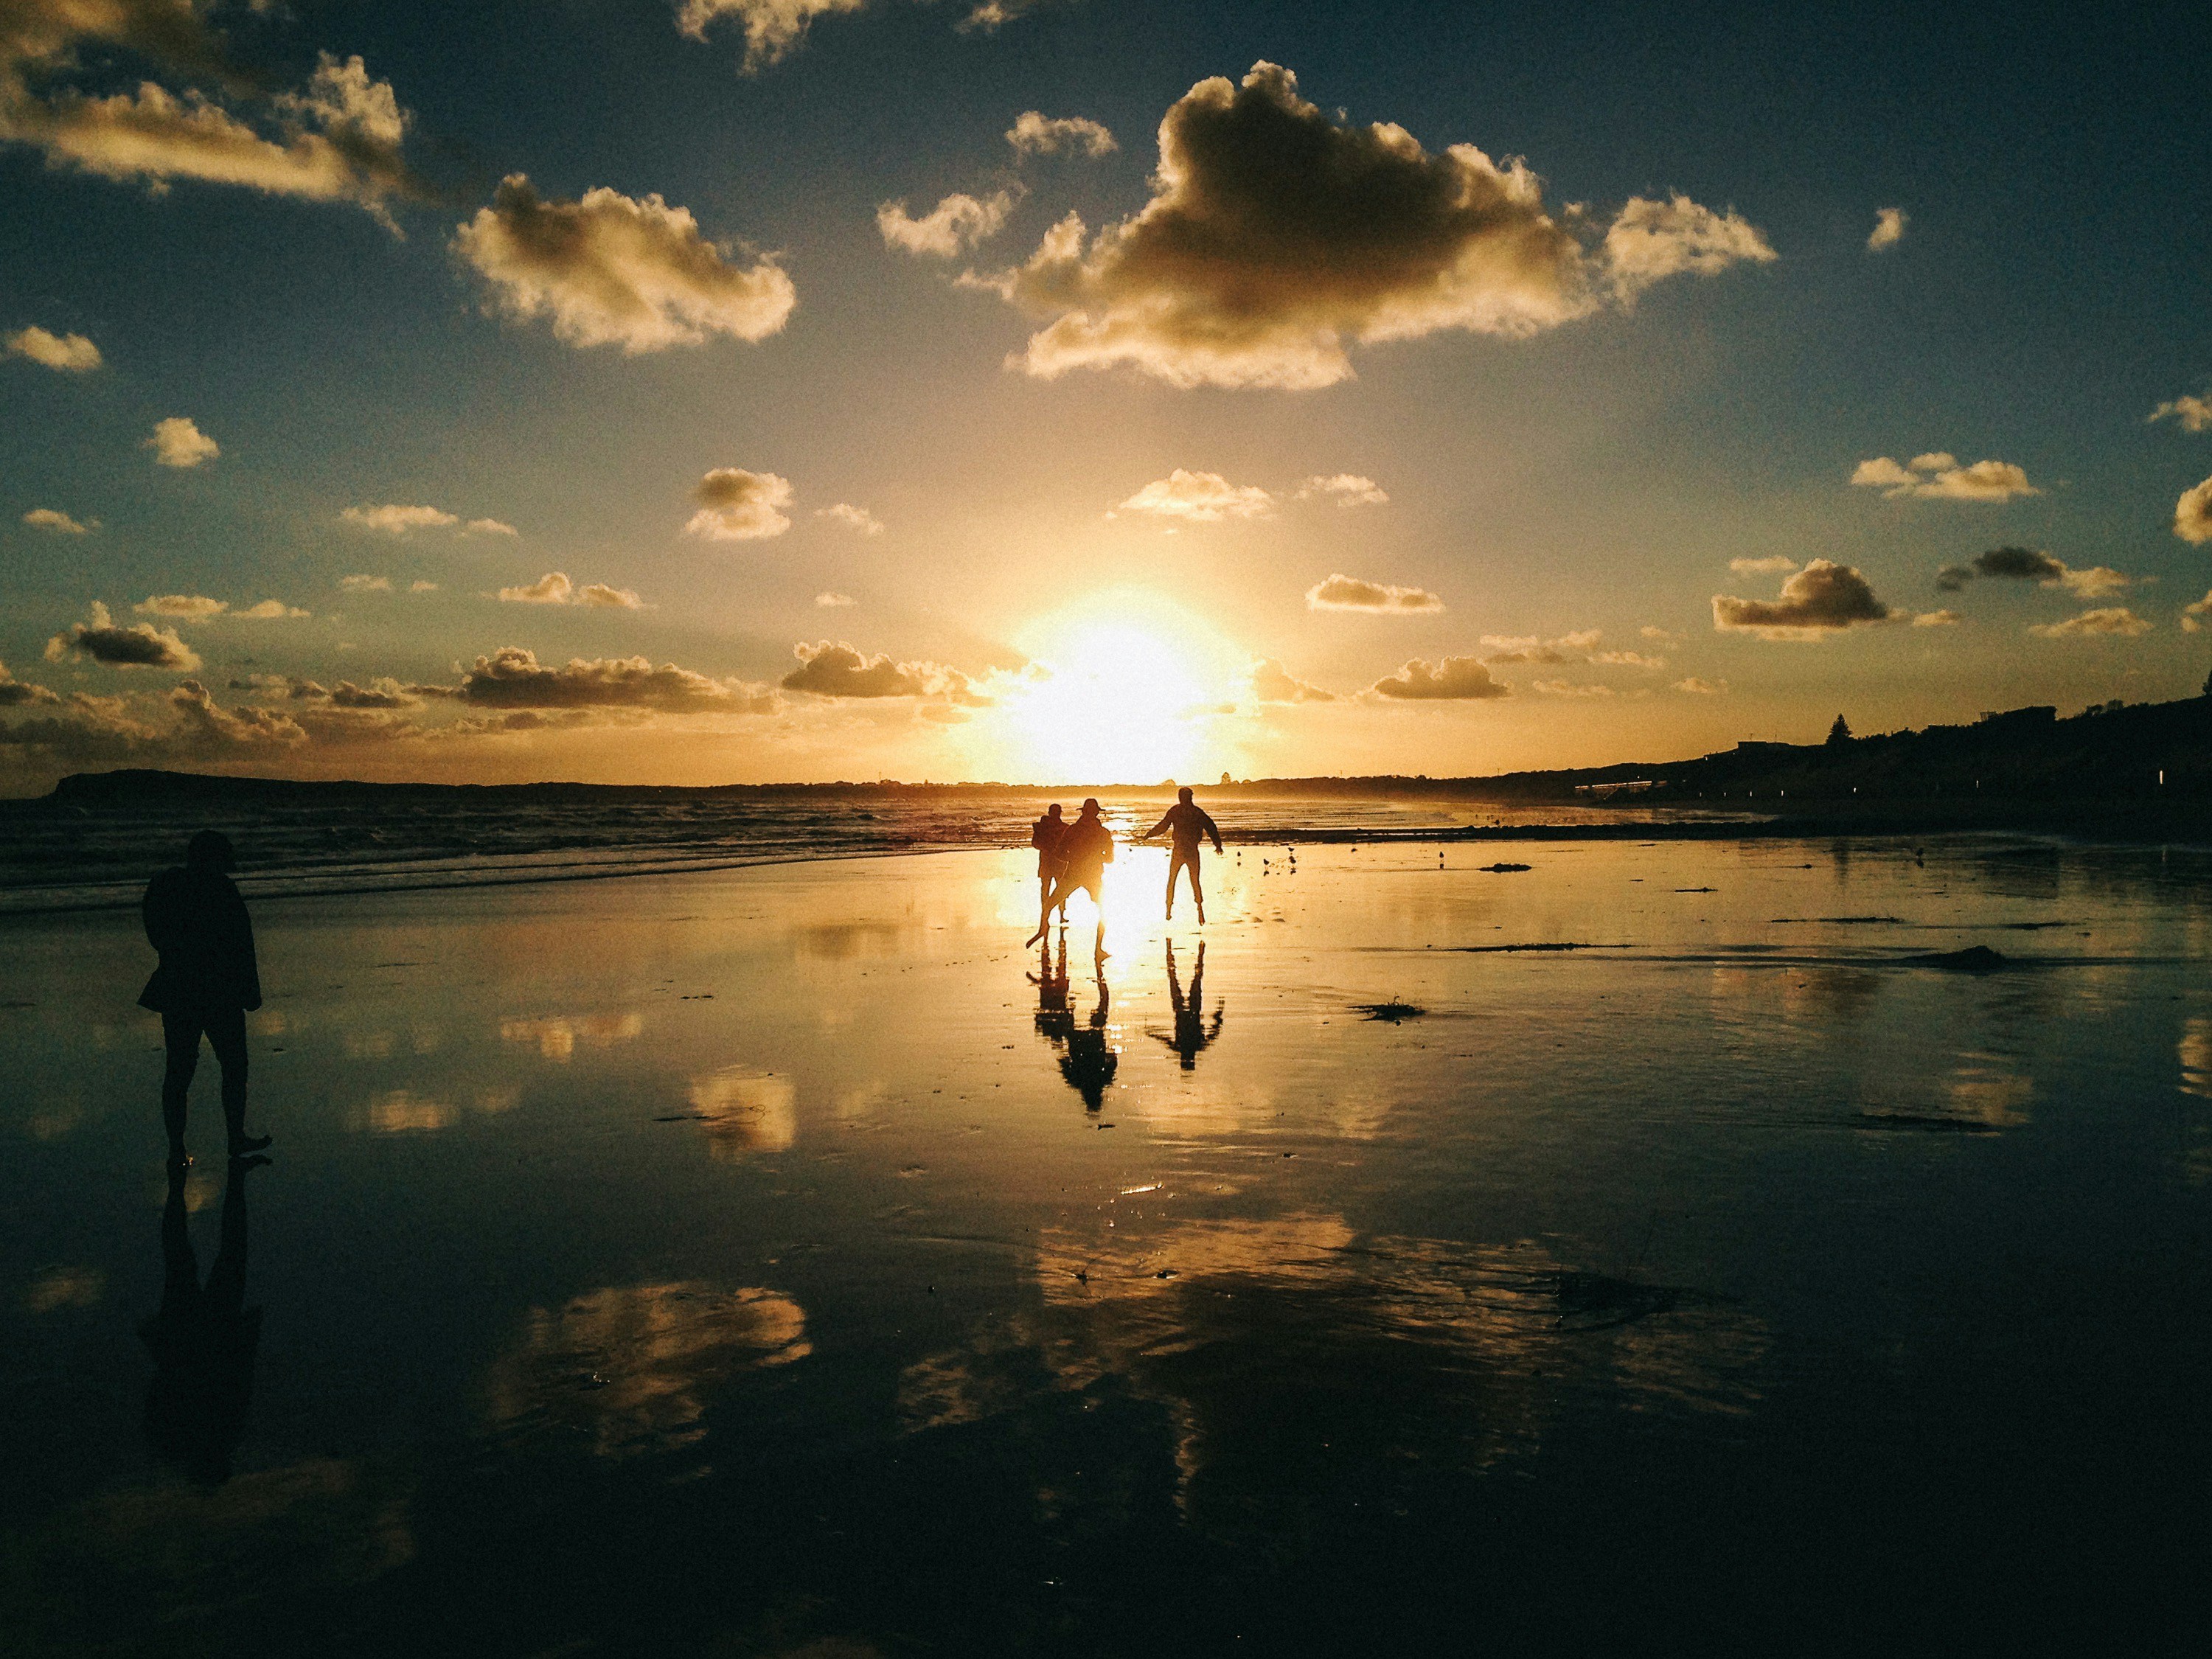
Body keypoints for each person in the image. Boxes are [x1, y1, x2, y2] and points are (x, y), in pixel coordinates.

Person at [140, 830, 271, 1164]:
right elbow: (243, 943)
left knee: (180, 1069)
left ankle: (176, 1148)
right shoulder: (223, 890)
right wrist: (250, 990)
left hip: (179, 987)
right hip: (220, 990)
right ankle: (235, 1137)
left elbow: (153, 923)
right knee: (233, 1066)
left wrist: (169, 953)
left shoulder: (167, 885)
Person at [1028, 797, 1113, 957]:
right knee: (1103, 911)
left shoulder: (1072, 830)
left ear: (1083, 812)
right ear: (1096, 813)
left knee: (1049, 904)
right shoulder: (1103, 833)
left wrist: (1074, 857)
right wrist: (1095, 857)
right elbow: (1109, 859)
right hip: (1093, 876)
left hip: (1072, 874)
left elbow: (1060, 854)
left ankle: (1042, 929)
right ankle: (1098, 949)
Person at [1143, 786, 1225, 924]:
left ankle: (1178, 908)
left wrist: (1149, 834)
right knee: (1191, 880)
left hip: (1183, 850)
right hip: (1187, 850)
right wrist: (1217, 845)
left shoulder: (1178, 811)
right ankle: (1193, 908)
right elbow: (1211, 827)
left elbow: (1163, 827)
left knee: (1176, 880)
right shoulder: (1195, 812)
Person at [1029, 801, 1068, 924]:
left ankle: (1057, 915)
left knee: (1054, 889)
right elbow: (1035, 843)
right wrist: (1047, 848)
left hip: (1054, 861)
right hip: (1053, 861)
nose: (1057, 815)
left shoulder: (1060, 827)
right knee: (1057, 889)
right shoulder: (1044, 828)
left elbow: (1035, 843)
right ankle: (1052, 914)